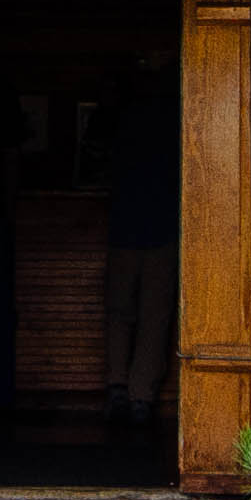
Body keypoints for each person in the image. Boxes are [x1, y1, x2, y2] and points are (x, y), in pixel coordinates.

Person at [103, 50, 182, 427]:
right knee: (154, 315)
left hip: (126, 225)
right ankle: (140, 397)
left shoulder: (120, 113)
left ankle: (120, 387)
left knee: (121, 312)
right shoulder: (174, 113)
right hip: (161, 227)